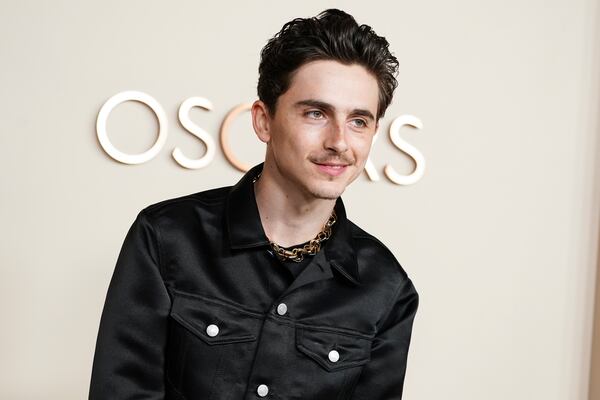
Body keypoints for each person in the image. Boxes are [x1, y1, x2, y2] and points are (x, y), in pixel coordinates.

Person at [89, 8, 419, 400]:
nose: (339, 142)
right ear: (264, 120)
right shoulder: (166, 238)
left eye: (358, 121)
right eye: (316, 113)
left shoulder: (387, 288)